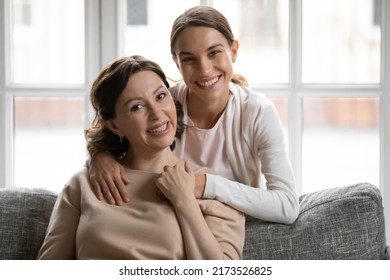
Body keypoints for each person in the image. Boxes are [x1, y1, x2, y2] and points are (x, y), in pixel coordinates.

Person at [89, 5, 299, 224]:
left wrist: (206, 185)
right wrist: (99, 157)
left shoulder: (257, 112)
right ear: (176, 63)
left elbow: (287, 205)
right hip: (169, 229)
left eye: (214, 52)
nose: (205, 70)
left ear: (234, 50)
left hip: (229, 230)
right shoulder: (164, 105)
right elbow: (121, 133)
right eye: (189, 59)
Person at [37, 55, 245, 260]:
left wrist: (184, 200)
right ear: (114, 125)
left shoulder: (214, 188)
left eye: (161, 96)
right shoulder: (83, 183)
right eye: (137, 107)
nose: (157, 113)